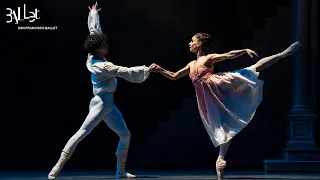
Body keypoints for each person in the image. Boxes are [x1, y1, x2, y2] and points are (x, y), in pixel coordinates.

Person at [149, 32, 300, 179]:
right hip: (207, 97)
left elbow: (228, 55)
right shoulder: (191, 64)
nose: (189, 43)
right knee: (220, 126)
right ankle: (220, 159)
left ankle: (282, 54)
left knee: (252, 70)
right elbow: (174, 76)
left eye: (192, 41)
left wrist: (244, 50)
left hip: (220, 85)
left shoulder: (208, 58)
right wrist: (160, 70)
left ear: (199, 44)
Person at [48, 2, 156, 179]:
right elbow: (124, 71)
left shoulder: (93, 56)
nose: (106, 47)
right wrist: (147, 69)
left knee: (125, 134)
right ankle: (57, 167)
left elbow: (94, 32)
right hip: (101, 103)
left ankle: (120, 171)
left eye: (105, 44)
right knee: (83, 132)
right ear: (95, 49)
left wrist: (93, 14)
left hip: (108, 104)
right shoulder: (102, 66)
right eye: (102, 46)